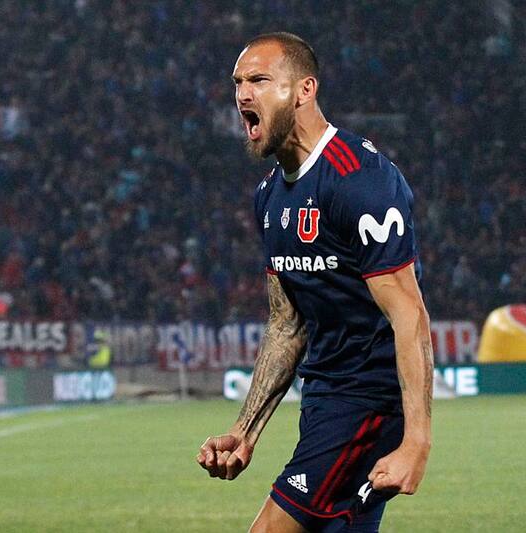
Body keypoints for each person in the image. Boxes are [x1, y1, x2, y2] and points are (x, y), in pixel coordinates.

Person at [196, 32, 434, 533]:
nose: (242, 93)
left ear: (304, 90)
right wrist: (246, 430)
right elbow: (287, 324)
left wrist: (416, 441)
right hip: (324, 398)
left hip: (367, 401)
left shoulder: (359, 179)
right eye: (237, 82)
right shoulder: (269, 198)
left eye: (259, 80)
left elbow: (409, 312)